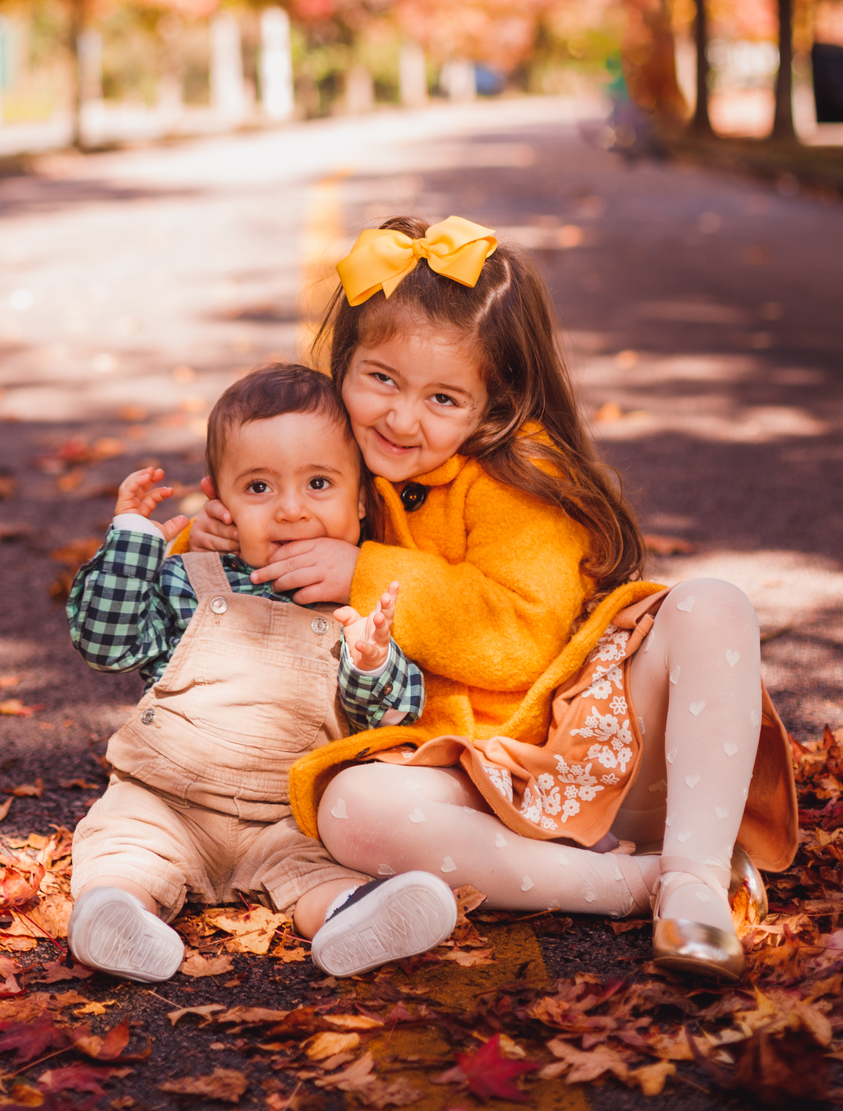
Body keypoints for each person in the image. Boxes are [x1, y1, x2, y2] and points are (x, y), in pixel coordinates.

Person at [185, 215, 798, 983]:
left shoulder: (520, 472)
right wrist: (209, 538)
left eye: (443, 397)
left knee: (712, 605)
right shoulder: (332, 460)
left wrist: (364, 570)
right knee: (349, 810)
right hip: (462, 780)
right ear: (345, 364)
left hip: (597, 749)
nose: (401, 417)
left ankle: (696, 878)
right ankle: (633, 885)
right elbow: (255, 555)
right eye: (381, 379)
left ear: (494, 402)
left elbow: (522, 639)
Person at [64, 361, 459, 982]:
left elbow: (395, 713)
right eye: (258, 488)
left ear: (360, 500)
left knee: (320, 874)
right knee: (123, 854)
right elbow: (105, 645)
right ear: (220, 505)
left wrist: (369, 660)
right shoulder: (189, 581)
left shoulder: (359, 601)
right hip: (165, 800)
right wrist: (135, 540)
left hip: (286, 818)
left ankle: (352, 919)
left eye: (319, 483)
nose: (291, 510)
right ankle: (119, 917)